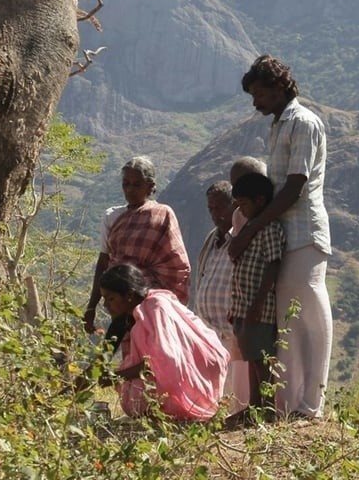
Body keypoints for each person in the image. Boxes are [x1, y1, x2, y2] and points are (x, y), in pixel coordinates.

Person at [231, 55, 333, 419]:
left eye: (259, 93)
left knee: (309, 316)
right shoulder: (279, 125)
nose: (255, 102)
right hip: (283, 232)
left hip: (305, 230)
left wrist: (251, 229)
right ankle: (287, 404)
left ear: (278, 88)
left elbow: (294, 189)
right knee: (287, 319)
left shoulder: (303, 122)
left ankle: (310, 405)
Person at [96, 263, 228, 421]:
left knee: (134, 384)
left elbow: (162, 361)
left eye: (111, 299)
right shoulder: (143, 308)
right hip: (193, 366)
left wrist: (117, 376)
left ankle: (174, 409)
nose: (105, 305)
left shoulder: (156, 307)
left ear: (129, 295)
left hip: (196, 368)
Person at [85, 156, 191, 342]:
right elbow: (104, 263)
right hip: (120, 301)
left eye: (137, 184)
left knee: (151, 355)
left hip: (152, 303)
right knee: (126, 352)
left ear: (150, 186)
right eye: (126, 184)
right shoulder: (113, 216)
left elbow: (177, 266)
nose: (130, 190)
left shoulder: (163, 215)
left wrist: (145, 289)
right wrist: (91, 306)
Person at [227, 172, 287, 423]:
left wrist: (258, 303)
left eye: (244, 204)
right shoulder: (250, 229)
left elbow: (273, 266)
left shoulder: (270, 229)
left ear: (260, 201)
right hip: (244, 307)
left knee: (262, 359)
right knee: (251, 357)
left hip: (258, 309)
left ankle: (267, 408)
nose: (240, 210)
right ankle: (255, 406)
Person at [191, 180, 248, 412]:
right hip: (209, 333)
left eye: (220, 208)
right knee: (211, 395)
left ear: (235, 206)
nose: (215, 214)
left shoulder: (243, 237)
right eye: (211, 209)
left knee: (235, 396)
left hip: (231, 332)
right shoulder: (212, 240)